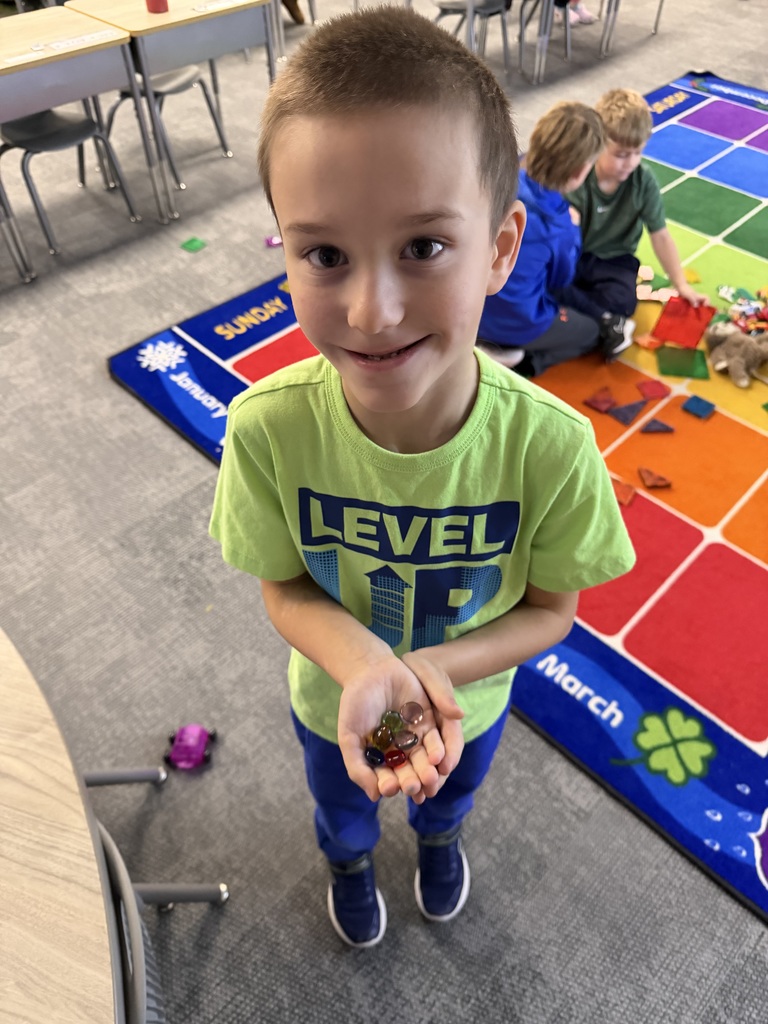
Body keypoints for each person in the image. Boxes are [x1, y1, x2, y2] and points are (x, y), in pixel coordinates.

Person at [209, 7, 635, 949]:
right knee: (343, 811)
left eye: (424, 246)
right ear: (284, 251)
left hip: (469, 702)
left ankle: (439, 841)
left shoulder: (552, 447)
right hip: (332, 698)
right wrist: (365, 666)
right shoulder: (268, 428)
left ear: (501, 248)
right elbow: (281, 586)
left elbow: (551, 611)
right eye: (324, 254)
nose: (372, 307)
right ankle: (350, 862)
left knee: (450, 801)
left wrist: (434, 672)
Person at [559, 88, 708, 350]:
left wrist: (681, 284)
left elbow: (660, 235)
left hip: (616, 262)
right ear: (598, 144)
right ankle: (597, 318)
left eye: (637, 153)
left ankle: (589, 314)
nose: (630, 162)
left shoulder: (643, 181)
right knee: (546, 279)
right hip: (578, 256)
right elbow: (560, 237)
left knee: (624, 303)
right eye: (620, 155)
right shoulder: (579, 176)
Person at [477, 101, 608, 376]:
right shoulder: (560, 226)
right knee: (591, 333)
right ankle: (523, 363)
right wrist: (575, 232)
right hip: (518, 323)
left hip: (472, 309)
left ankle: (488, 346)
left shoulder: (499, 180)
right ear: (579, 172)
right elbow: (560, 282)